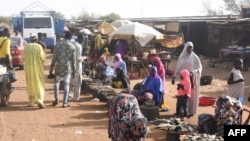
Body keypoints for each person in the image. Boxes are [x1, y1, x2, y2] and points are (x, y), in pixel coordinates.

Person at [172, 41, 202, 117]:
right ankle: (182, 111)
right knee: (182, 96)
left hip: (191, 80)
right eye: (189, 48)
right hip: (183, 80)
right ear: (185, 48)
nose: (190, 50)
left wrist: (194, 72)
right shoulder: (182, 57)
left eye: (191, 48)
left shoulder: (194, 57)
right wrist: (174, 76)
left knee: (190, 96)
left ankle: (190, 111)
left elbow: (199, 67)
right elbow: (178, 67)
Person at [49, 31, 75, 108]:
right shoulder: (72, 46)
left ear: (64, 36)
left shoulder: (58, 45)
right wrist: (74, 70)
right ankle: (65, 102)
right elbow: (73, 61)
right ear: (70, 37)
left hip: (58, 67)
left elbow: (54, 58)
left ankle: (56, 99)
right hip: (67, 68)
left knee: (56, 82)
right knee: (66, 84)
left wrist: (51, 68)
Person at [22, 33, 46, 108]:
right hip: (38, 68)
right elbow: (43, 58)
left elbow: (23, 57)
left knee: (30, 84)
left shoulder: (26, 47)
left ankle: (31, 102)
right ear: (36, 39)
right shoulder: (39, 47)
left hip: (29, 69)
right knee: (39, 83)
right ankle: (40, 100)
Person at [69, 34, 84, 102]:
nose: (83, 42)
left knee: (70, 82)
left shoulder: (71, 43)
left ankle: (69, 96)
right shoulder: (79, 46)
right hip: (77, 66)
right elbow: (78, 58)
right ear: (80, 39)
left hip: (70, 65)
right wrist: (83, 58)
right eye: (83, 40)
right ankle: (76, 98)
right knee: (78, 82)